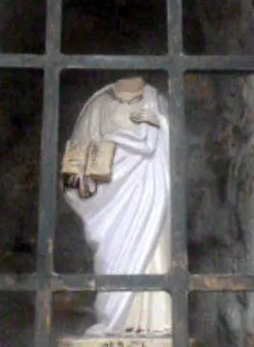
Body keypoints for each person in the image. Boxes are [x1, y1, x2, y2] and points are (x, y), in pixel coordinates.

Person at [62, 76, 172, 336]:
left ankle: (157, 321)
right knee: (114, 254)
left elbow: (177, 150)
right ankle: (117, 320)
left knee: (153, 250)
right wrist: (81, 180)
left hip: (151, 188)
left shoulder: (158, 102)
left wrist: (162, 125)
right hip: (111, 197)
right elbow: (78, 152)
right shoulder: (99, 104)